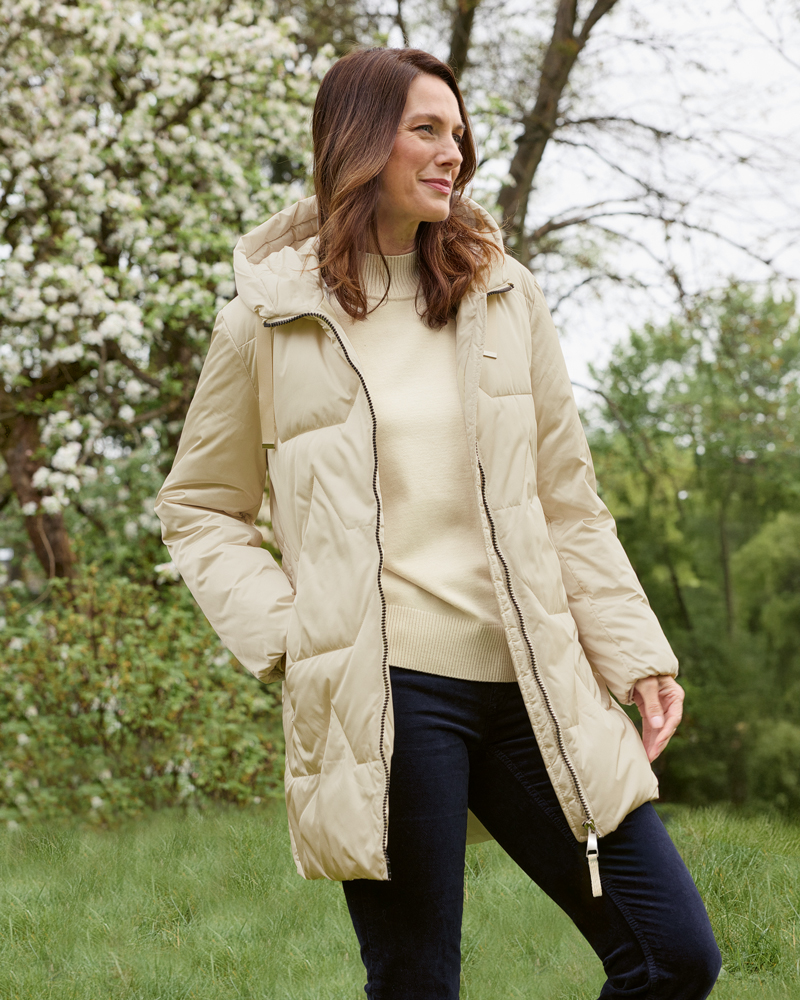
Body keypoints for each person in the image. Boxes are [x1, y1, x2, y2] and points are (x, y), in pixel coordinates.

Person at [156, 47, 721, 1000]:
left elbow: (566, 499)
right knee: (417, 982)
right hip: (387, 690)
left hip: (533, 677)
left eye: (458, 133)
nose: (453, 151)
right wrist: (296, 634)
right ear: (359, 141)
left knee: (674, 955)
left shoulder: (504, 292)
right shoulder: (268, 317)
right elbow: (200, 506)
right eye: (426, 129)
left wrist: (635, 654)